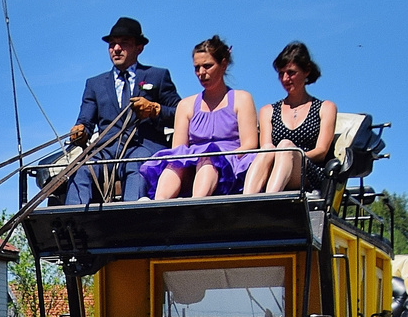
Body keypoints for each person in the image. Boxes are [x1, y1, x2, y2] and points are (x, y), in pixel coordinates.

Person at [60, 16, 181, 204]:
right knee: (81, 168)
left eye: (124, 43)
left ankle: (131, 220)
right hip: (106, 151)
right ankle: (74, 223)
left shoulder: (157, 76)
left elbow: (180, 114)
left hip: (144, 148)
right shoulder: (95, 84)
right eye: (112, 44)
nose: (116, 49)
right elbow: (85, 121)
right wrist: (80, 132)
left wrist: (154, 110)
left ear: (139, 48)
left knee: (137, 164)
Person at [140, 36, 258, 200]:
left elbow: (250, 144)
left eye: (207, 66)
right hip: (192, 165)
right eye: (197, 68)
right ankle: (158, 206)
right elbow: (179, 149)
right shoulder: (186, 105)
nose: (201, 73)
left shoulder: (242, 99)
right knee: (174, 163)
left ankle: (196, 206)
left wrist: (218, 156)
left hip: (231, 164)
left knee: (209, 160)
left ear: (223, 65)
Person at [243, 41, 339, 194]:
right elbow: (266, 149)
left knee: (285, 146)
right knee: (268, 148)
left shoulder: (325, 108)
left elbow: (321, 151)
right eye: (281, 74)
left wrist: (290, 154)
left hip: (308, 171)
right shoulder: (268, 111)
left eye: (291, 73)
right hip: (275, 169)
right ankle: (247, 201)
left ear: (306, 71)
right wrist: (282, 155)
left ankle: (271, 200)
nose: (285, 79)